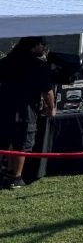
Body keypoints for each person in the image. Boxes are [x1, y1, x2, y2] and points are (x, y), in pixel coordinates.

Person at [0, 37, 56, 189]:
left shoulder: (6, 61)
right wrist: (51, 107)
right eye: (42, 44)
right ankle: (16, 178)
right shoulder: (38, 65)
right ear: (34, 45)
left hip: (4, 108)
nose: (43, 48)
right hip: (25, 111)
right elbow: (47, 91)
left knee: (4, 142)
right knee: (22, 144)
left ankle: (6, 173)